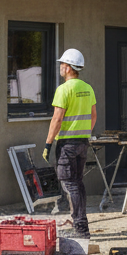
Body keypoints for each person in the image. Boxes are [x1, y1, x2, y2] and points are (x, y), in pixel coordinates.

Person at [44, 48, 96, 240]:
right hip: (83, 142)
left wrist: (48, 144)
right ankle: (80, 223)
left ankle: (81, 227)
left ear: (68, 68)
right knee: (78, 182)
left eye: (62, 64)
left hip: (67, 144)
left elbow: (57, 119)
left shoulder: (64, 89)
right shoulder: (88, 88)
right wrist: (84, 134)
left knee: (69, 183)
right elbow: (93, 116)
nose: (60, 67)